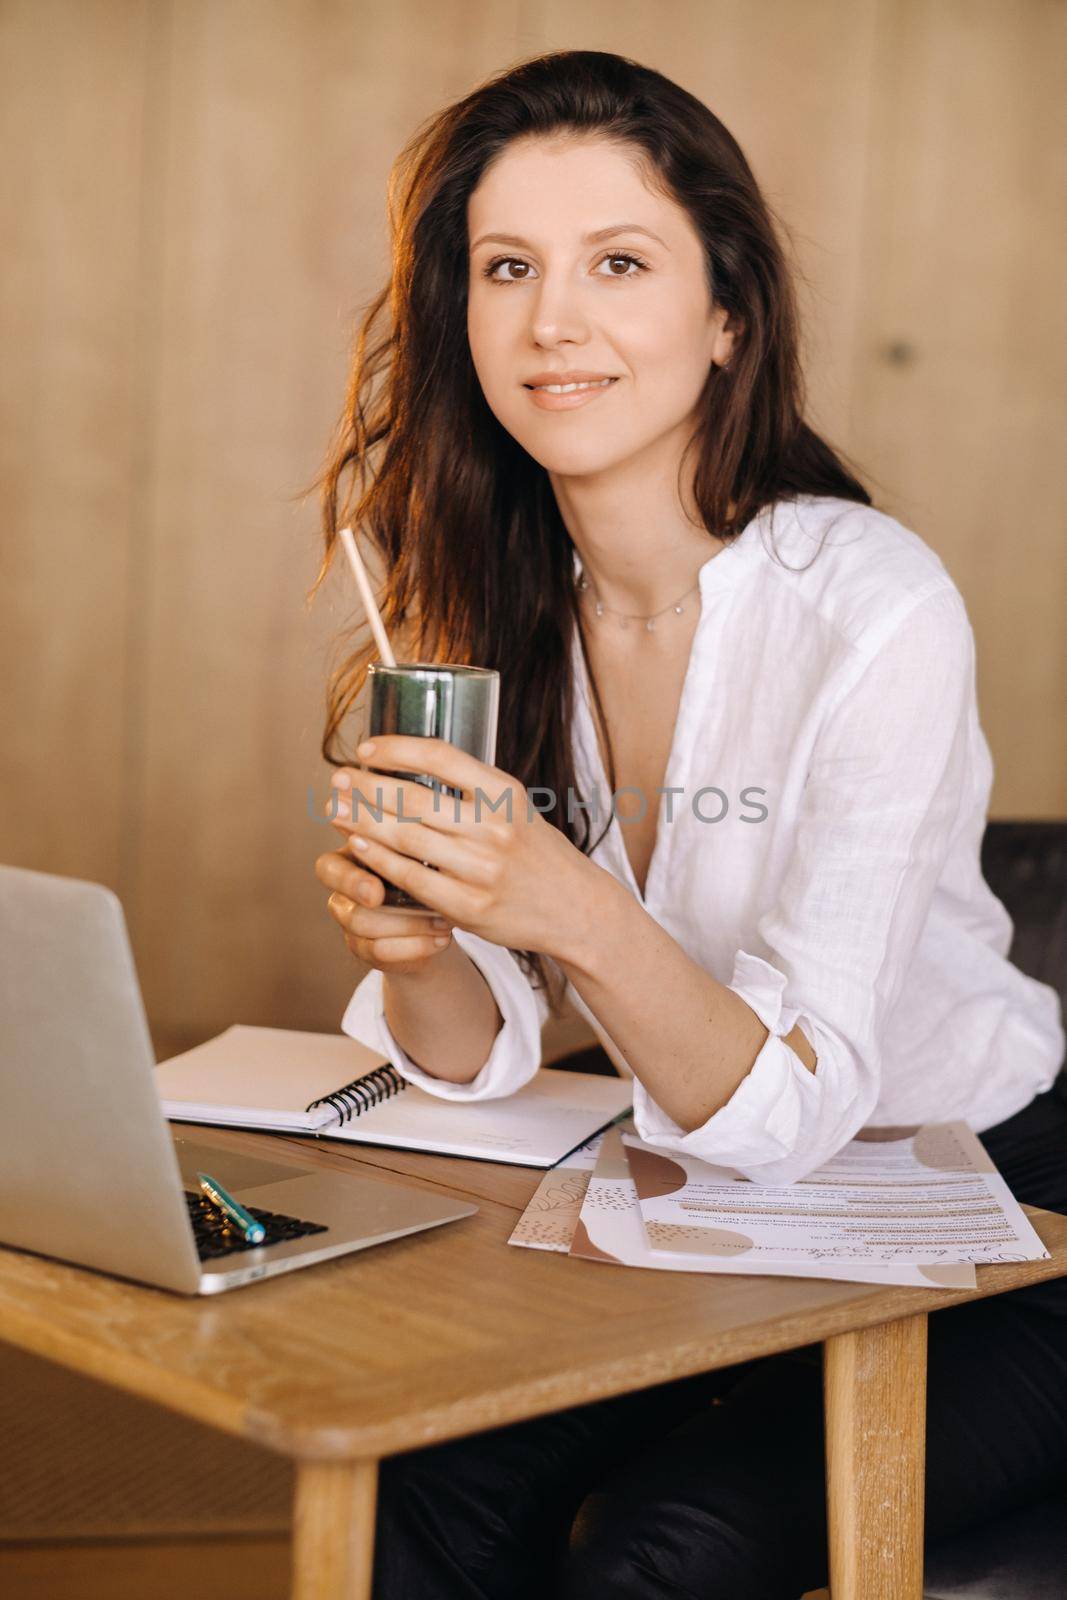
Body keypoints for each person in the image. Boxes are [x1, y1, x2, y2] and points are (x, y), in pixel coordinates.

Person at [309, 48, 1067, 1600]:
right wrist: (422, 947)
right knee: (426, 1484)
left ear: (727, 321)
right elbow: (478, 1052)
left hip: (986, 1218)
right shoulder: (494, 605)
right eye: (507, 266)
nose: (552, 322)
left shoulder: (872, 602)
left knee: (664, 1555)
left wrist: (566, 899)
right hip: (693, 1203)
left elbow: (797, 1108)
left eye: (620, 264)